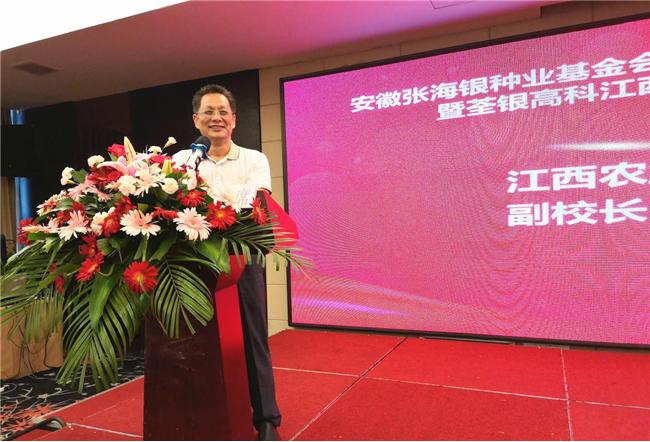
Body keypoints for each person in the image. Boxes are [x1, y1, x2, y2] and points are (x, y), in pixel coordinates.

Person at [172, 84, 281, 441]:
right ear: (196, 120)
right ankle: (201, 416)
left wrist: (206, 205)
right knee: (196, 341)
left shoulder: (253, 159)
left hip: (241, 258)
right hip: (193, 261)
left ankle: (266, 420)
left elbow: (253, 202)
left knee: (252, 337)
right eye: (209, 111)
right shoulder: (182, 161)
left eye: (223, 112)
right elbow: (173, 204)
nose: (216, 118)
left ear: (234, 120)